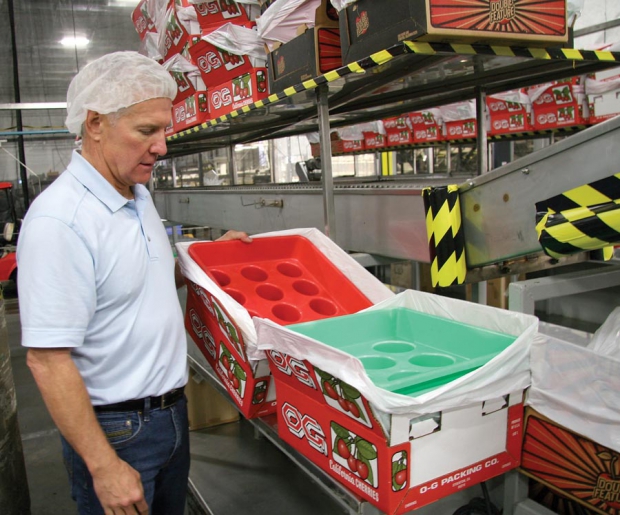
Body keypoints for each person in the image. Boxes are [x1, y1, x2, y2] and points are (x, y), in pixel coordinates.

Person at [16, 51, 251, 515]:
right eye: (146, 131)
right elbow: (47, 359)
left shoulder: (136, 194)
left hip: (171, 414)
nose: (162, 147)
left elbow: (145, 280)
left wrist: (208, 258)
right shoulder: (60, 221)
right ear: (96, 124)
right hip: (118, 431)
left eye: (164, 130)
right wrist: (104, 466)